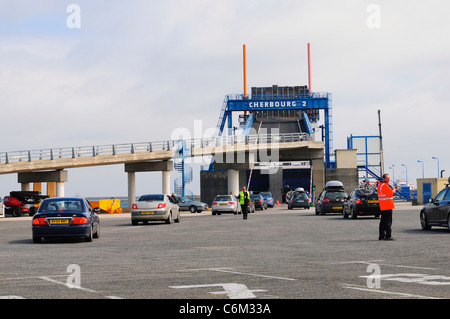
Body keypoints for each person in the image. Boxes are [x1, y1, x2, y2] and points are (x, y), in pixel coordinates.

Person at [377, 174, 398, 241]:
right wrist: (394, 189)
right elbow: (390, 194)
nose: (388, 180)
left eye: (389, 178)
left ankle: (381, 236)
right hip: (388, 206)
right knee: (388, 222)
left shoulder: (380, 185)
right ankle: (388, 236)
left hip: (383, 206)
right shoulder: (385, 186)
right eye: (387, 178)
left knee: (383, 222)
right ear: (383, 179)